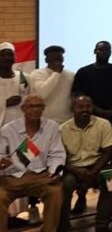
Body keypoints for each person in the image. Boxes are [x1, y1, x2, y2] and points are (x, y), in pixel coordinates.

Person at [0, 96, 64, 232]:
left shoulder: (52, 127)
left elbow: (57, 154)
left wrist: (54, 172)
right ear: (23, 109)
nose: (35, 110)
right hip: (12, 177)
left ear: (43, 108)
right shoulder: (8, 129)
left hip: (40, 176)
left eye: (39, 106)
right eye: (31, 106)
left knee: (55, 192)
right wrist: (2, 161)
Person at [59, 96, 112, 232]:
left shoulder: (103, 124)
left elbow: (108, 151)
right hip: (73, 169)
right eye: (80, 107)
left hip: (98, 165)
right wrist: (78, 171)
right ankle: (63, 225)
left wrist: (92, 172)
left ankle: (102, 224)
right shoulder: (62, 129)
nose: (85, 109)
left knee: (111, 178)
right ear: (72, 109)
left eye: (88, 106)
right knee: (65, 184)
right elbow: (60, 158)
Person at [72, 41, 112, 122]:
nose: (104, 52)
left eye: (107, 50)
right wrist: (100, 111)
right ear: (95, 51)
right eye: (101, 49)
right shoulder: (83, 72)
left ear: (110, 53)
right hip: (90, 117)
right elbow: (79, 95)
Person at [29, 45, 74, 124]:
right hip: (44, 121)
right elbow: (42, 94)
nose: (57, 61)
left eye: (59, 58)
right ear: (46, 60)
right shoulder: (37, 74)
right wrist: (56, 73)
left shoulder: (71, 75)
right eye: (54, 58)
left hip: (67, 121)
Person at [0, 42, 28, 126]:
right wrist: (5, 103)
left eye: (10, 55)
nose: (7, 58)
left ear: (15, 57)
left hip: (20, 125)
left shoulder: (24, 77)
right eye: (3, 55)